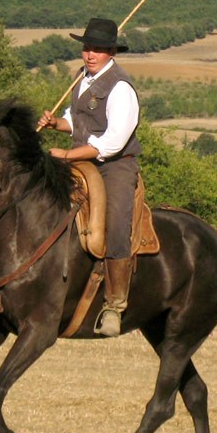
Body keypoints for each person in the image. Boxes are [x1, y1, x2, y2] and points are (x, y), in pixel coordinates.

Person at [37, 17, 141, 337]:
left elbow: (110, 142)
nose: (90, 54)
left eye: (97, 49)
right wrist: (57, 124)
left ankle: (114, 304)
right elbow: (77, 119)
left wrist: (67, 155)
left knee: (116, 224)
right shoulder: (82, 78)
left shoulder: (121, 88)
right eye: (86, 47)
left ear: (112, 52)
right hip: (81, 160)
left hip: (114, 166)